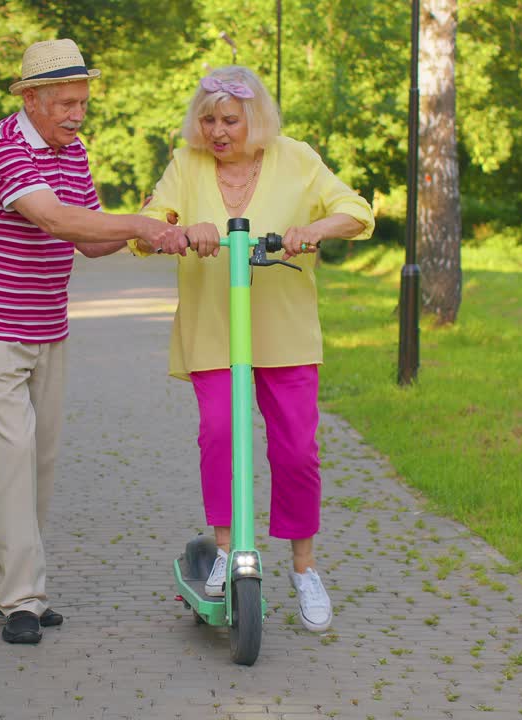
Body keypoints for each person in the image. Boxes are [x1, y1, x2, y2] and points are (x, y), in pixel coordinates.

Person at [0, 38, 186, 645]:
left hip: (47, 324)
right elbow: (55, 218)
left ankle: (10, 585)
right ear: (30, 99)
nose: (78, 114)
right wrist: (137, 225)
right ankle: (24, 600)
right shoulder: (1, 145)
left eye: (82, 103)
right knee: (14, 454)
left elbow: (90, 237)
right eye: (65, 104)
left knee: (41, 460)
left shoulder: (71, 150)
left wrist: (149, 229)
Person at [132, 66, 374, 633]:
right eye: (209, 119)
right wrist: (179, 229)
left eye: (230, 120)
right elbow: (149, 220)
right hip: (217, 326)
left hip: (285, 330)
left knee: (296, 450)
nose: (218, 132)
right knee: (220, 434)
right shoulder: (186, 163)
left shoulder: (296, 157)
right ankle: (225, 551)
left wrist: (314, 230)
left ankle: (304, 566)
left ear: (255, 119)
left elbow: (355, 211)